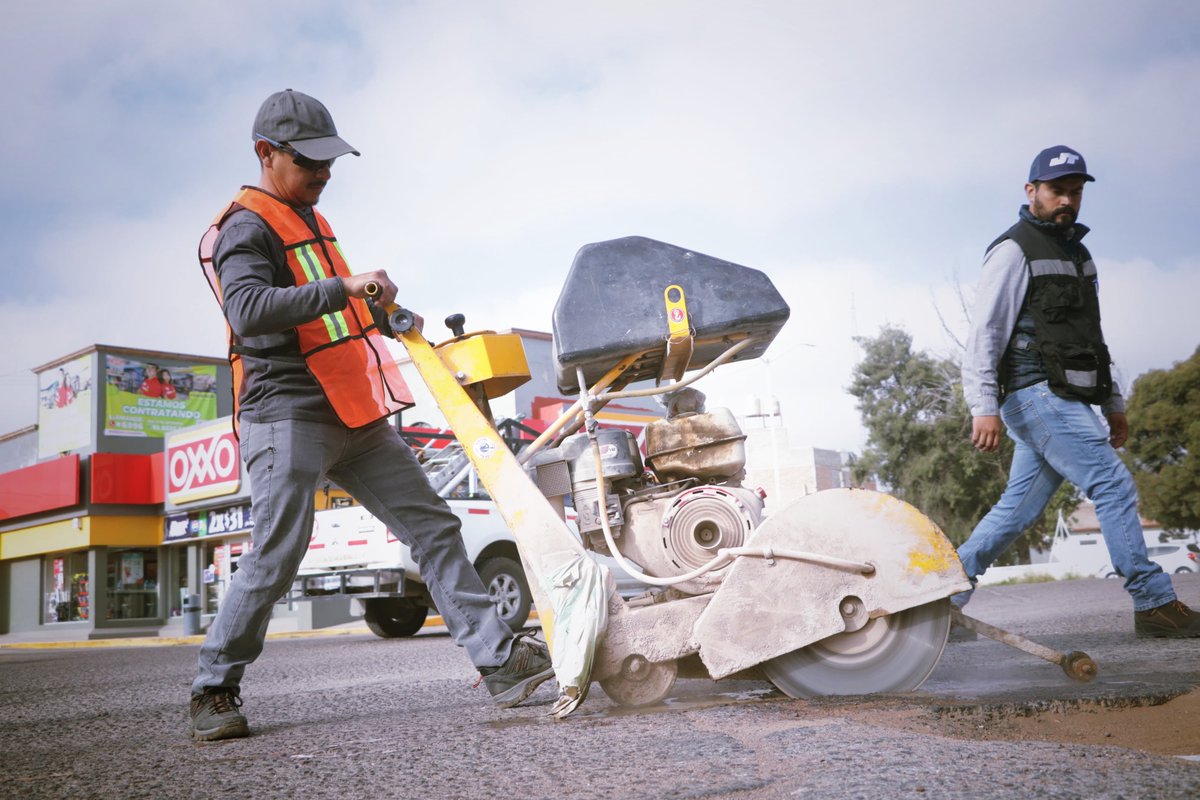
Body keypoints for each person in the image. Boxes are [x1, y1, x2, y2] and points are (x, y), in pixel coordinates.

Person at [189, 89, 553, 741]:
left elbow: (337, 312)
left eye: (330, 161)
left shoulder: (312, 224)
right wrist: (345, 288)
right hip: (286, 410)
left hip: (354, 412)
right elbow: (247, 309)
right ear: (267, 154)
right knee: (277, 551)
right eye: (310, 161)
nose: (324, 173)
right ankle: (214, 688)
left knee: (434, 526)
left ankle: (500, 662)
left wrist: (385, 315)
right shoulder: (246, 226)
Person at [956, 145, 1198, 639]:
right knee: (1112, 486)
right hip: (1035, 394)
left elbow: (1092, 335)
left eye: (1075, 191)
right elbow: (985, 331)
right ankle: (1154, 605)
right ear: (1032, 192)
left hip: (1067, 396)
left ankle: (939, 595)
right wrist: (983, 405)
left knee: (1017, 510)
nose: (1067, 199)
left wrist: (1114, 403)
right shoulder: (1013, 249)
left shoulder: (1077, 254)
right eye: (1057, 190)